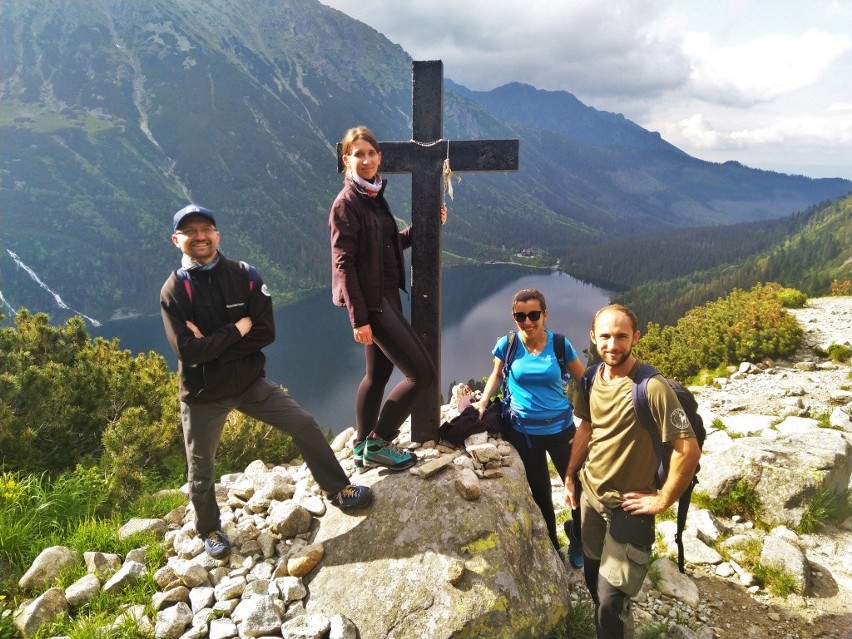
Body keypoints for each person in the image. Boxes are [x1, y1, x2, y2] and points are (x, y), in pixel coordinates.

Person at [161, 204, 372, 559]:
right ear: (176, 239)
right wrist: (235, 330)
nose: (199, 236)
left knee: (304, 424)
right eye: (190, 231)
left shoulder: (245, 276)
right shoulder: (175, 291)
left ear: (217, 235)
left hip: (248, 384)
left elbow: (265, 333)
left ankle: (338, 489)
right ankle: (210, 528)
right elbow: (188, 352)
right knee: (201, 467)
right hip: (203, 394)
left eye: (206, 229)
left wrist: (212, 344)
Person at [564, 304, 701, 639]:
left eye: (622, 336)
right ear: (593, 337)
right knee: (595, 581)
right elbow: (586, 428)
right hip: (591, 498)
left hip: (629, 508)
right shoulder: (591, 378)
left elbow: (688, 449)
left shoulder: (650, 387)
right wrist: (570, 476)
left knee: (612, 602)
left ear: (635, 337)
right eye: (606, 336)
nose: (613, 344)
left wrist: (663, 499)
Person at [329, 126, 442, 471]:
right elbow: (343, 264)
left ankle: (363, 444)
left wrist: (424, 229)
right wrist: (359, 319)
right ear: (346, 159)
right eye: (358, 154)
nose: (366, 160)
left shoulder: (373, 195)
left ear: (379, 157)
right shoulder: (346, 203)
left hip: (386, 297)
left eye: (371, 153)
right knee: (422, 374)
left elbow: (385, 246)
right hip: (372, 304)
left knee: (377, 374)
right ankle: (380, 440)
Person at [472, 288, 587, 566]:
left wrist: (596, 417)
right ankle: (551, 544)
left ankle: (579, 537)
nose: (527, 321)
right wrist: (483, 401)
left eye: (534, 315)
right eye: (520, 316)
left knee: (579, 489)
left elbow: (584, 380)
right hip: (523, 432)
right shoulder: (507, 344)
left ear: (545, 314)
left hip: (561, 429)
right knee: (540, 492)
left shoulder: (559, 344)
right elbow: (497, 374)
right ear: (514, 317)